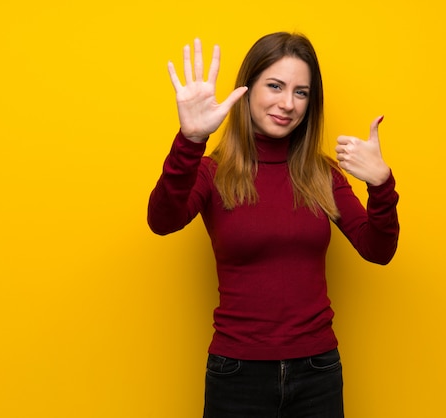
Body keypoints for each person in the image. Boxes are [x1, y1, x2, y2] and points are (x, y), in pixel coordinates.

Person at [148, 32, 399, 418]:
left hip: (318, 370)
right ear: (247, 89)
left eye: (301, 92)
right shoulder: (212, 171)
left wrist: (381, 186)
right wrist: (190, 140)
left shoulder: (321, 174)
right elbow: (162, 221)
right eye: (275, 86)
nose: (287, 103)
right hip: (236, 373)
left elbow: (378, 250)